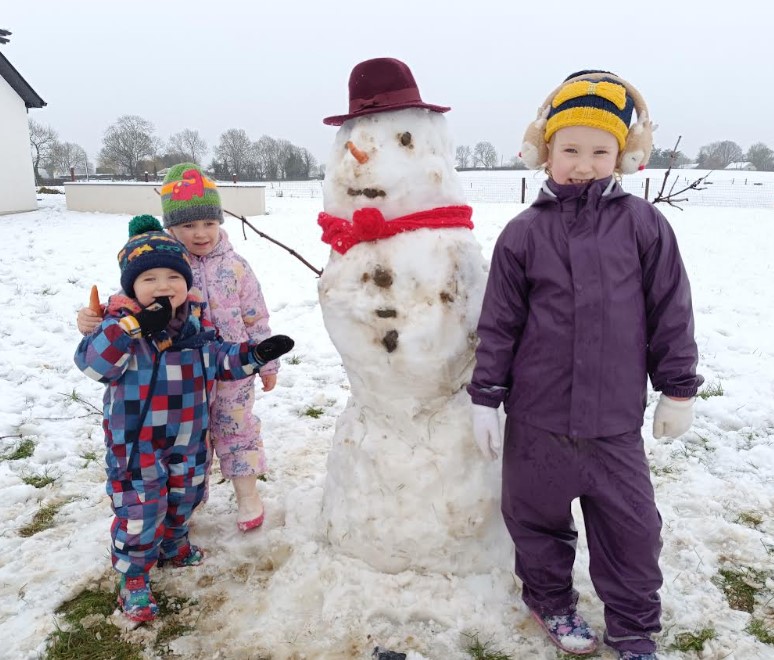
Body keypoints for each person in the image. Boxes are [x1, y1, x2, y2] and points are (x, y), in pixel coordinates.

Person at [467, 71, 703, 660]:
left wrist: (678, 389)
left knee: (633, 530)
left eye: (601, 152)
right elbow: (499, 323)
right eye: (570, 149)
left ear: (623, 156)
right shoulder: (522, 234)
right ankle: (551, 602)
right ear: (544, 152)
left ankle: (632, 624)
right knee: (535, 521)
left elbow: (670, 310)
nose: (584, 164)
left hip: (612, 422)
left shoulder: (645, 226)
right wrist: (485, 398)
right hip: (537, 419)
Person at [74, 215, 294, 622]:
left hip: (189, 437)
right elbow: (93, 364)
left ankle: (173, 543)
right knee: (141, 507)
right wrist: (133, 326)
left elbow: (219, 359)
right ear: (132, 286)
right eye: (150, 279)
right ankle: (134, 577)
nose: (163, 286)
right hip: (136, 442)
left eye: (173, 277)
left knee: (185, 495)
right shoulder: (118, 325)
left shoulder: (195, 323)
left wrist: (254, 356)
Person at [78, 163, 277, 533]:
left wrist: (266, 362)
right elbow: (129, 302)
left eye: (209, 223)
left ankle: (247, 494)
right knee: (191, 440)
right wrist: (93, 318)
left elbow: (255, 316)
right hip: (181, 373)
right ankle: (188, 501)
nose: (200, 233)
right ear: (171, 226)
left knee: (237, 427)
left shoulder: (237, 267)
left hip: (234, 366)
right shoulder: (163, 263)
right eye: (188, 225)